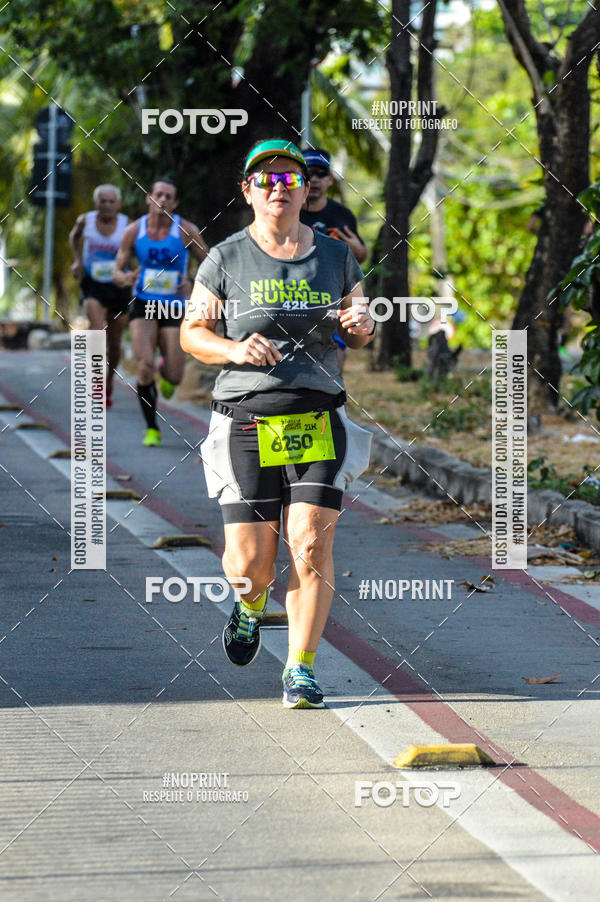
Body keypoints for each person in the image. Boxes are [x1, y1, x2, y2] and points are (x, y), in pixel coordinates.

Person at [181, 138, 375, 709]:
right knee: (251, 563)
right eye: (266, 181)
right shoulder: (225, 258)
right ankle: (248, 605)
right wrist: (234, 350)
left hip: (318, 414)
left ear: (303, 189)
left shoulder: (336, 256)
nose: (279, 189)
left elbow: (360, 327)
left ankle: (301, 668)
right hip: (245, 416)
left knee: (310, 542)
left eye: (289, 179)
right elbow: (194, 334)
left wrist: (361, 321)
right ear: (248, 191)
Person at [113, 178, 208, 446]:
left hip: (174, 306)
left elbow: (210, 262)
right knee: (144, 367)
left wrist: (192, 283)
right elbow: (117, 270)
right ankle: (152, 428)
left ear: (175, 203)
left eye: (169, 196)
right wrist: (124, 278)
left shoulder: (185, 230)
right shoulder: (134, 231)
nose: (163, 200)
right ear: (149, 198)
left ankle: (168, 368)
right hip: (143, 303)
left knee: (175, 377)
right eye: (158, 195)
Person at [300, 148, 368, 371]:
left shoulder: (342, 215)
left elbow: (359, 258)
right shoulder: (291, 212)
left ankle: (332, 403)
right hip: (295, 296)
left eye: (322, 173)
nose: (316, 179)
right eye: (310, 173)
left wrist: (358, 248)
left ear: (330, 179)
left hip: (334, 298)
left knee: (334, 360)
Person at [69, 185, 131, 408]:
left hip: (118, 285)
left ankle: (108, 381)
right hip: (93, 282)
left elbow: (137, 249)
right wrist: (77, 260)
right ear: (96, 203)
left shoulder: (127, 225)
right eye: (102, 201)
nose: (106, 205)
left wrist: (133, 274)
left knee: (114, 343)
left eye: (110, 201)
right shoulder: (85, 220)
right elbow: (74, 237)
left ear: (118, 204)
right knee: (96, 332)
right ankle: (96, 382)